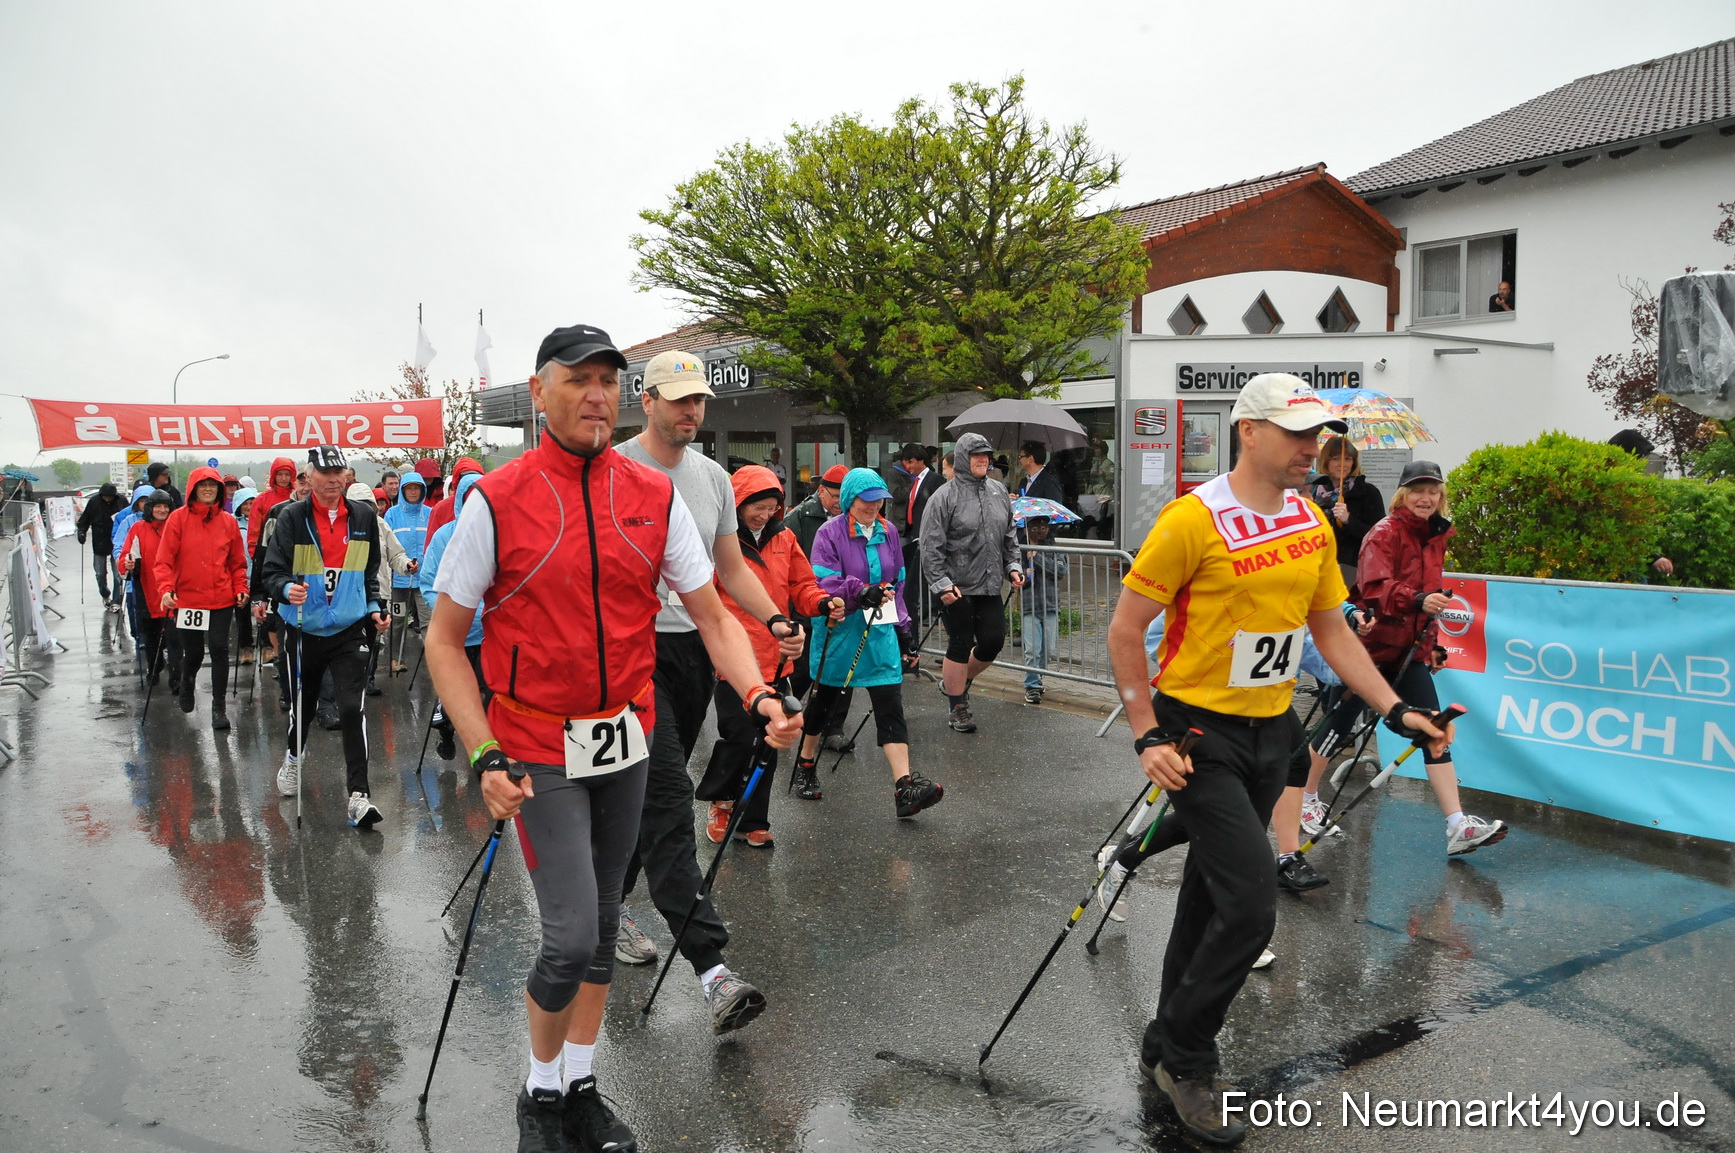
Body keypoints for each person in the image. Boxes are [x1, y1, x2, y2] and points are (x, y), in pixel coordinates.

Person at [426, 324, 801, 1153]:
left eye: (608, 379)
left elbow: (710, 612)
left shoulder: (653, 493)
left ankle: (580, 1087)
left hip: (624, 736)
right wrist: (485, 751)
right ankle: (538, 1093)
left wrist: (760, 689)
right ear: (538, 391)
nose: (597, 393)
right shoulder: (497, 496)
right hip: (534, 741)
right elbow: (444, 641)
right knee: (567, 934)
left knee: (598, 930)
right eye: (579, 378)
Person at [1104, 373, 1452, 1145]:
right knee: (1253, 899)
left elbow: (1330, 631)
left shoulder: (1308, 520)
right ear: (1249, 432)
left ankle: (1165, 1035)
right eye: (1297, 434)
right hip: (1197, 733)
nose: (1313, 449)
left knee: (1208, 893)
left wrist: (1396, 709)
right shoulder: (1191, 520)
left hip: (1272, 732)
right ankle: (1189, 1057)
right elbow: (1126, 629)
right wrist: (1144, 732)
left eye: (1318, 435)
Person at [614, 349, 806, 1031]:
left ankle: (606, 907)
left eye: (698, 399)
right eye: (677, 399)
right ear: (647, 400)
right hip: (631, 653)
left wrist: (775, 617)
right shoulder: (616, 470)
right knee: (666, 791)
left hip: (696, 645)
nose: (690, 410)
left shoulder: (713, 477)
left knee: (647, 793)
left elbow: (728, 569)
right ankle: (711, 969)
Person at [1356, 460, 1508, 856]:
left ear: (1441, 496)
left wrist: (1433, 643)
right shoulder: (1383, 532)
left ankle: (1457, 825)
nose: (1426, 498)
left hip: (1411, 651)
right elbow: (1374, 588)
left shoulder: (1436, 535)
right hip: (1371, 649)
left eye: (1433, 491)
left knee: (1435, 731)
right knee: (1337, 726)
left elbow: (1434, 595)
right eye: (1418, 490)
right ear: (1403, 494)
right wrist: (1417, 600)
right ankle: (1305, 799)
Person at [698, 464, 842, 842]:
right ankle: (722, 802)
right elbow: (705, 599)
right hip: (732, 660)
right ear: (737, 504)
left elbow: (802, 585)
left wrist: (823, 603)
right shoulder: (720, 540)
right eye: (755, 507)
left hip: (777, 658)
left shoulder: (784, 537)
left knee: (771, 736)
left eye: (771, 507)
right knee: (740, 736)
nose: (764, 515)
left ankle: (754, 820)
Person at [791, 468, 942, 816]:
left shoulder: (889, 532)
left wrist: (905, 632)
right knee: (824, 704)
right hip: (842, 630)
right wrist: (860, 591)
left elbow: (898, 582)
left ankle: (904, 787)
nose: (874, 507)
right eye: (866, 501)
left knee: (891, 706)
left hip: (880, 633)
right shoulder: (829, 533)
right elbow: (823, 581)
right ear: (848, 500)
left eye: (879, 501)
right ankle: (805, 764)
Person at [262, 446, 390, 829]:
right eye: (326, 473)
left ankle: (359, 795)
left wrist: (374, 606)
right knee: (303, 707)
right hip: (303, 628)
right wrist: (286, 589)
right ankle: (293, 759)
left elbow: (369, 573)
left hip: (349, 629)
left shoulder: (364, 516)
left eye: (341, 473)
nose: (334, 479)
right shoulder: (291, 518)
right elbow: (271, 571)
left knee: (352, 708)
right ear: (309, 477)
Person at [919, 432, 1023, 733]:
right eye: (977, 455)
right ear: (963, 458)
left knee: (992, 642)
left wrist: (1013, 565)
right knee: (961, 643)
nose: (983, 460)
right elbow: (930, 546)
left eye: (987, 455)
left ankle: (956, 682)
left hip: (989, 583)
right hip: (956, 586)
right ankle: (957, 707)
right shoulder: (944, 496)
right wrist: (940, 584)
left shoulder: (998, 491)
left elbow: (1008, 536)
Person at [152, 466, 249, 731]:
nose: (208, 489)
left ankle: (219, 706)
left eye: (213, 485)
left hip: (221, 599)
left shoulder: (228, 521)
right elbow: (164, 561)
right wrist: (166, 589)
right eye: (203, 484)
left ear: (219, 490)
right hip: (189, 599)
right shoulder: (177, 519)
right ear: (193, 488)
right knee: (193, 652)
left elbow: (237, 563)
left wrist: (241, 587)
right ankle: (187, 680)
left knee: (219, 650)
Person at [784, 464, 855, 748]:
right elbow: (788, 565)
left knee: (841, 666)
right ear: (821, 491)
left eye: (845, 496)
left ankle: (833, 727)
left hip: (843, 603)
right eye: (836, 496)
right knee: (803, 670)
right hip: (807, 604)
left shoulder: (854, 517)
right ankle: (784, 708)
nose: (841, 502)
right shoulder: (799, 518)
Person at [420, 468, 487, 763]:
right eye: (470, 497)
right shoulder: (444, 536)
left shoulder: (496, 533)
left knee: (488, 693)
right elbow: (428, 581)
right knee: (458, 694)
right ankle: (445, 727)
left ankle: (486, 754)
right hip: (455, 634)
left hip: (490, 632)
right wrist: (448, 616)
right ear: (461, 499)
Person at [351, 482, 416, 697]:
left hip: (378, 591)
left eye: (368, 505)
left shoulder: (380, 526)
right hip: (348, 594)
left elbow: (395, 554)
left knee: (374, 637)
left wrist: (406, 565)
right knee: (350, 639)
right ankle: (350, 680)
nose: (365, 509)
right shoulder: (340, 526)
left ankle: (368, 678)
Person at [118, 490, 178, 687]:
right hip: (147, 589)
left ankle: (177, 677)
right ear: (150, 508)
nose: (162, 510)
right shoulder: (138, 529)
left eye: (165, 506)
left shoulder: (176, 527)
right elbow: (126, 555)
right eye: (158, 506)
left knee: (174, 635)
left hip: (174, 590)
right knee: (151, 635)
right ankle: (154, 666)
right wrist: (127, 564)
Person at [1307, 436, 1383, 593]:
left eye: (1347, 458)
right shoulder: (1315, 491)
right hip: (1318, 567)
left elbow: (1379, 538)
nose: (1342, 464)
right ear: (1326, 461)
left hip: (1352, 570)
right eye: (1336, 458)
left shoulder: (1368, 492)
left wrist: (1349, 520)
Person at [1018, 516, 1068, 705]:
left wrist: (1037, 558)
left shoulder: (1053, 548)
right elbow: (1014, 577)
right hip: (1030, 606)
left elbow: (1061, 571)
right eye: (1035, 527)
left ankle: (1038, 678)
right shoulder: (1020, 550)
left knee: (1047, 649)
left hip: (1050, 605)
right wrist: (1024, 574)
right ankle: (1032, 686)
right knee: (1032, 649)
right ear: (1027, 529)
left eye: (1043, 526)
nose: (1040, 530)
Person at [383, 471, 429, 671]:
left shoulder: (429, 513)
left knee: (428, 621)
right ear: (402, 490)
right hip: (399, 580)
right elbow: (387, 546)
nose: (412, 492)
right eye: (409, 488)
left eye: (416, 488)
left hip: (425, 580)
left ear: (422, 490)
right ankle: (395, 659)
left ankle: (434, 660)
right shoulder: (392, 514)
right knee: (398, 621)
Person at [894, 445, 941, 628]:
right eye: (906, 463)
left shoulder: (935, 480)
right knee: (912, 579)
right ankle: (915, 614)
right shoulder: (914, 480)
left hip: (926, 536)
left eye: (911, 462)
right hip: (913, 535)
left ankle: (929, 611)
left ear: (921, 461)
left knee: (925, 577)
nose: (908, 466)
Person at [76, 481, 129, 612]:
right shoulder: (94, 502)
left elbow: (129, 517)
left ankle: (116, 600)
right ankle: (105, 594)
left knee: (118, 574)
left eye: (110, 496)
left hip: (117, 541)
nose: (107, 499)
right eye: (105, 496)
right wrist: (81, 532)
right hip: (99, 541)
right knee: (100, 573)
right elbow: (84, 519)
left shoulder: (121, 501)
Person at [247, 456, 297, 556]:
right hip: (268, 551)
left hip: (294, 551)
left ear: (292, 476)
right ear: (274, 475)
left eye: (287, 474)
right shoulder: (262, 499)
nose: (283, 478)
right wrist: (254, 554)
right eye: (280, 474)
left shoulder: (298, 497)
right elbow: (254, 530)